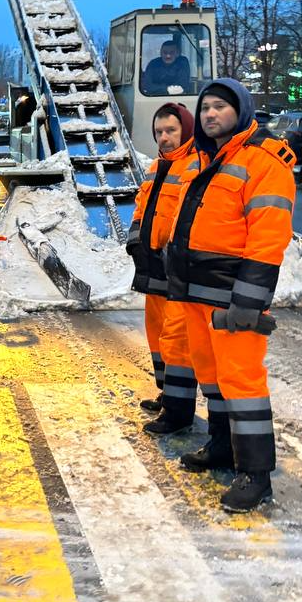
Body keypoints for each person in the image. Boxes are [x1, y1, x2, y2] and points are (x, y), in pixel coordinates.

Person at [164, 78, 296, 513]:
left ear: (240, 109)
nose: (210, 114)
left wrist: (249, 299)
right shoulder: (205, 158)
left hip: (231, 294)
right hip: (196, 293)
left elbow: (268, 234)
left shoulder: (263, 160)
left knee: (243, 383)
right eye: (205, 108)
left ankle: (256, 475)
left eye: (220, 106)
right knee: (211, 375)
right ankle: (222, 445)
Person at [125, 102, 199, 434]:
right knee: (156, 333)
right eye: (159, 132)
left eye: (171, 130)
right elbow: (143, 206)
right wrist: (135, 239)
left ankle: (178, 411)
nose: (165, 137)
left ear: (185, 129)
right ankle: (165, 392)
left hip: (175, 267)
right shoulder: (158, 165)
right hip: (153, 264)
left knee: (176, 338)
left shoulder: (195, 165)